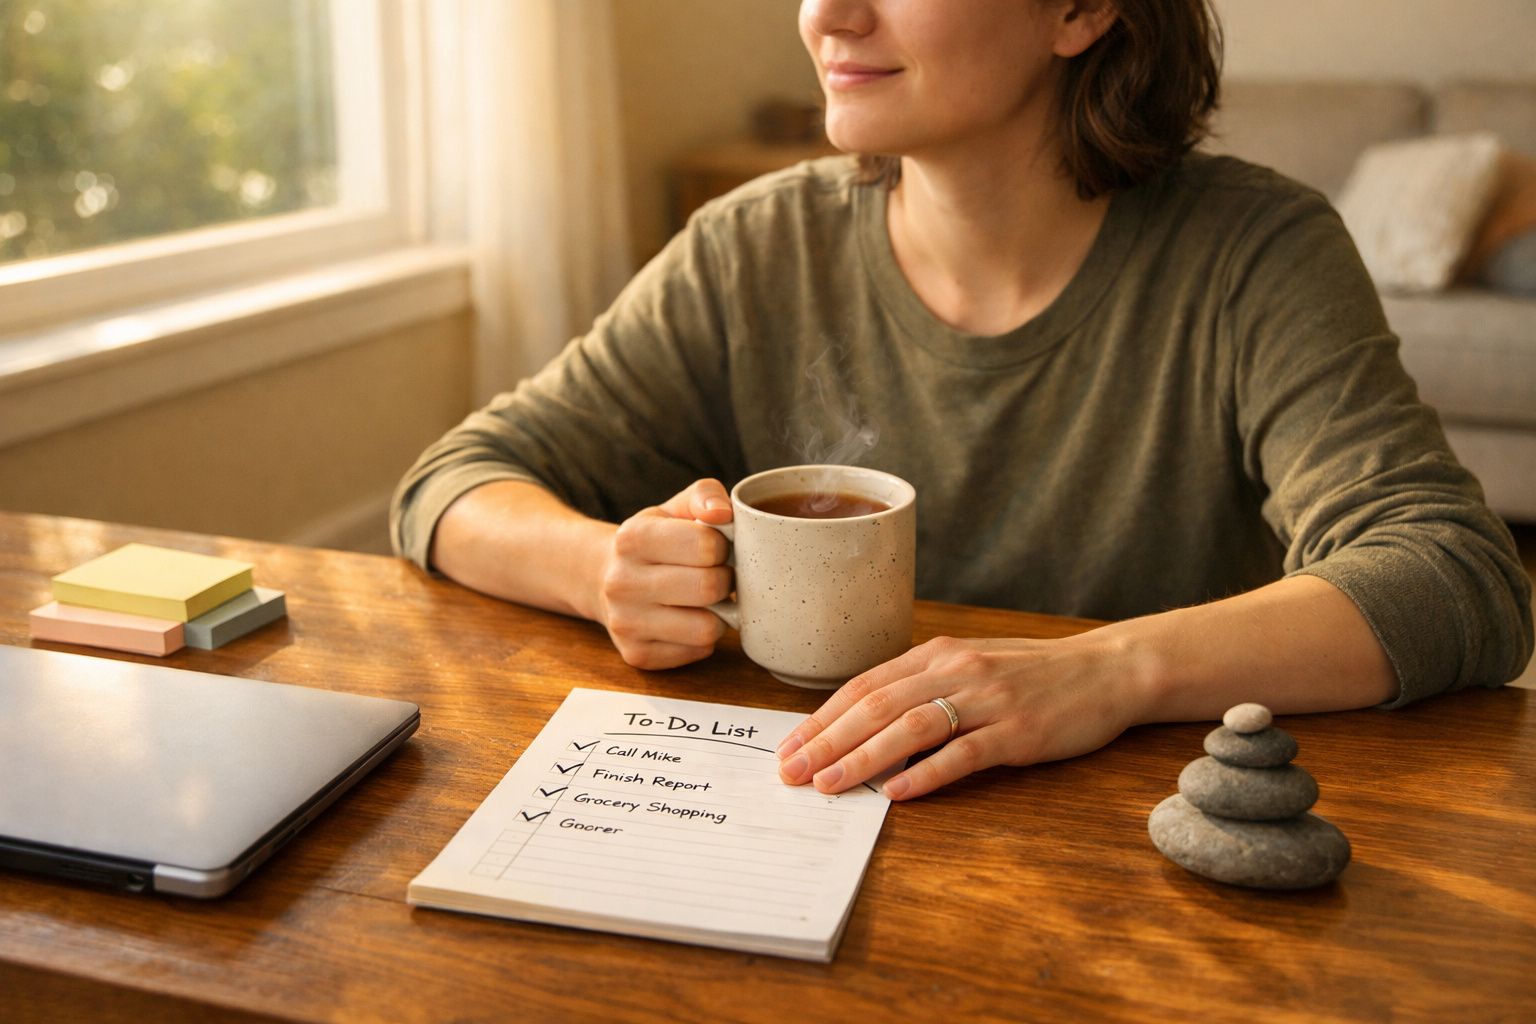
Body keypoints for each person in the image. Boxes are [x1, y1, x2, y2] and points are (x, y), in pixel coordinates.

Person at [392, 0, 1533, 802]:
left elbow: (1455, 573)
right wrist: (600, 569)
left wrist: (1108, 670)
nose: (827, 15)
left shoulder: (1256, 252)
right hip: (808, 815)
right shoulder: (752, 247)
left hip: (1139, 864)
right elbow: (451, 485)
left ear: (1081, 9)